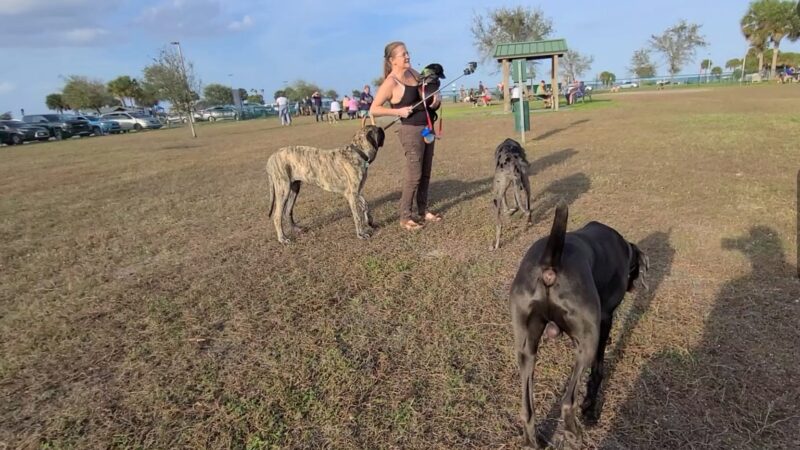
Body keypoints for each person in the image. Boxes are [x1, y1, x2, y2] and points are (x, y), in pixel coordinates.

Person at [370, 41, 443, 231]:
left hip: (427, 128)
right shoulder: (391, 82)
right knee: (414, 175)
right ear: (393, 60)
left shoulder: (413, 73)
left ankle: (423, 210)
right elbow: (374, 109)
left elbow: (426, 95)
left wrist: (435, 99)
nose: (408, 56)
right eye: (403, 54)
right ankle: (405, 217)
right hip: (410, 132)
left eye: (407, 53)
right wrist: (398, 111)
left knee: (426, 172)